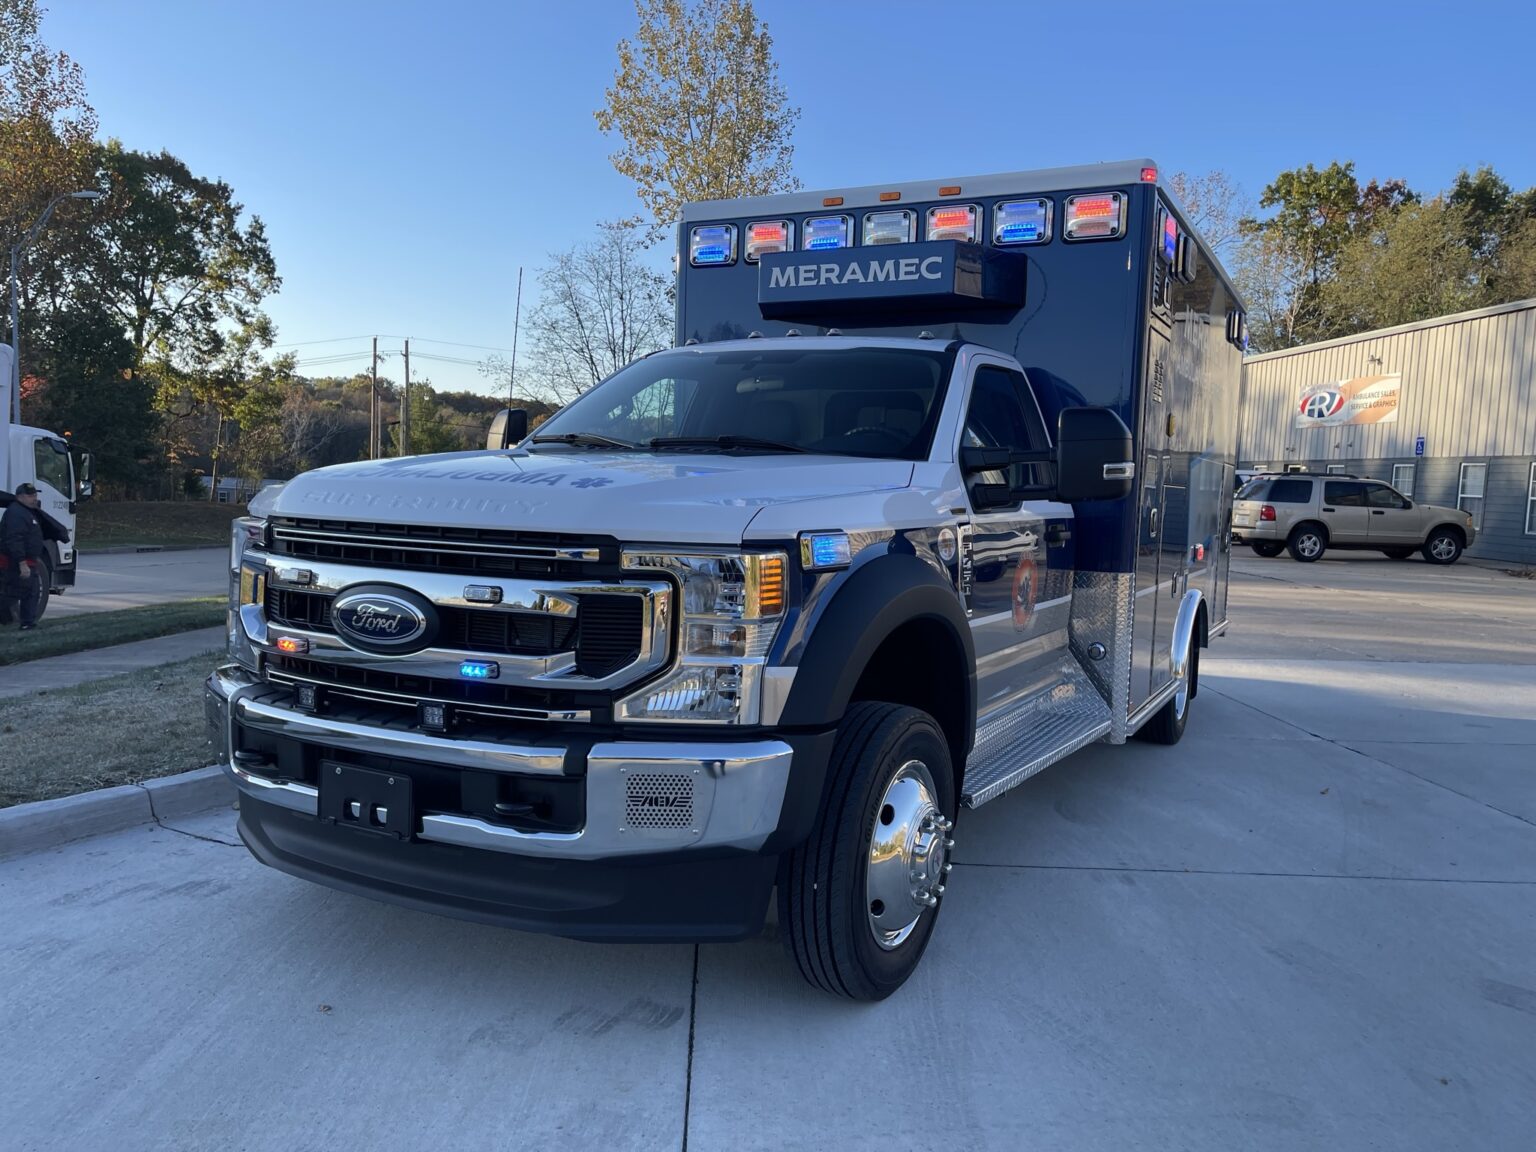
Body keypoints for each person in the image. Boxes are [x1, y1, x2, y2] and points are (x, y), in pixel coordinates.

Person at [1, 482, 47, 630]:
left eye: (35, 495)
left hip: (30, 561)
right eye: (30, 496)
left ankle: (28, 623)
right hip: (16, 562)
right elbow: (14, 539)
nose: (34, 498)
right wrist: (22, 563)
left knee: (32, 592)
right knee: (15, 593)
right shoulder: (16, 513)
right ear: (19, 497)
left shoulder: (27, 511)